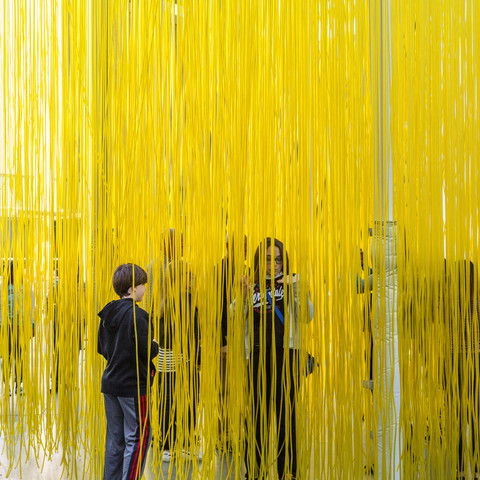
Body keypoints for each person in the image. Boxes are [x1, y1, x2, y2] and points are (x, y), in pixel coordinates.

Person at [241, 238, 313, 480]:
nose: (274, 264)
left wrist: (297, 291)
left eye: (278, 259)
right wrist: (241, 295)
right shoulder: (251, 285)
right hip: (258, 357)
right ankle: (255, 472)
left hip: (287, 355)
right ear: (260, 260)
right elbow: (233, 314)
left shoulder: (295, 280)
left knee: (286, 417)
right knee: (257, 419)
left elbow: (306, 316)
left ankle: (289, 473)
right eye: (269, 259)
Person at [97, 263, 159, 480]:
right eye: (143, 284)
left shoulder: (107, 313)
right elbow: (146, 350)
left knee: (116, 439)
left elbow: (101, 348)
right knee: (139, 437)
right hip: (132, 385)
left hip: (110, 384)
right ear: (133, 288)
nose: (145, 288)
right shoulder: (138, 316)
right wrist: (154, 344)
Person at [158, 260, 201, 461]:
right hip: (182, 357)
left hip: (165, 357)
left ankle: (168, 446)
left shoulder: (163, 299)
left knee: (166, 400)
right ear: (179, 277)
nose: (191, 278)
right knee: (188, 399)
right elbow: (193, 331)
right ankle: (182, 444)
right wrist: (197, 358)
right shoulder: (185, 298)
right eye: (188, 275)